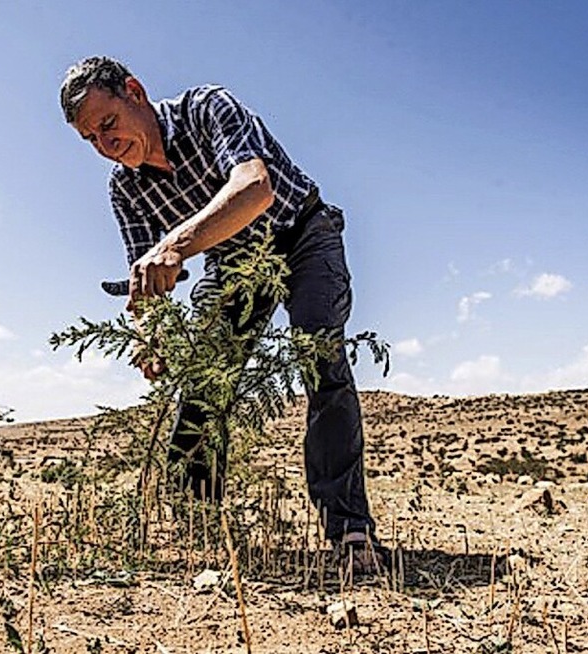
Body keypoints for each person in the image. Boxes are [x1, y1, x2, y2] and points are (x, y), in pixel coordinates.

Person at [59, 55, 384, 569]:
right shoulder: (126, 189)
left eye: (108, 124)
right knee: (205, 378)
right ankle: (196, 527)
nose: (106, 144)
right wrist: (151, 335)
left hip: (303, 235)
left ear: (134, 92)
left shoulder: (207, 108)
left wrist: (176, 244)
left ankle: (351, 534)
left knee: (321, 363)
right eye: (91, 140)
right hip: (234, 263)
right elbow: (147, 278)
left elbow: (255, 189)